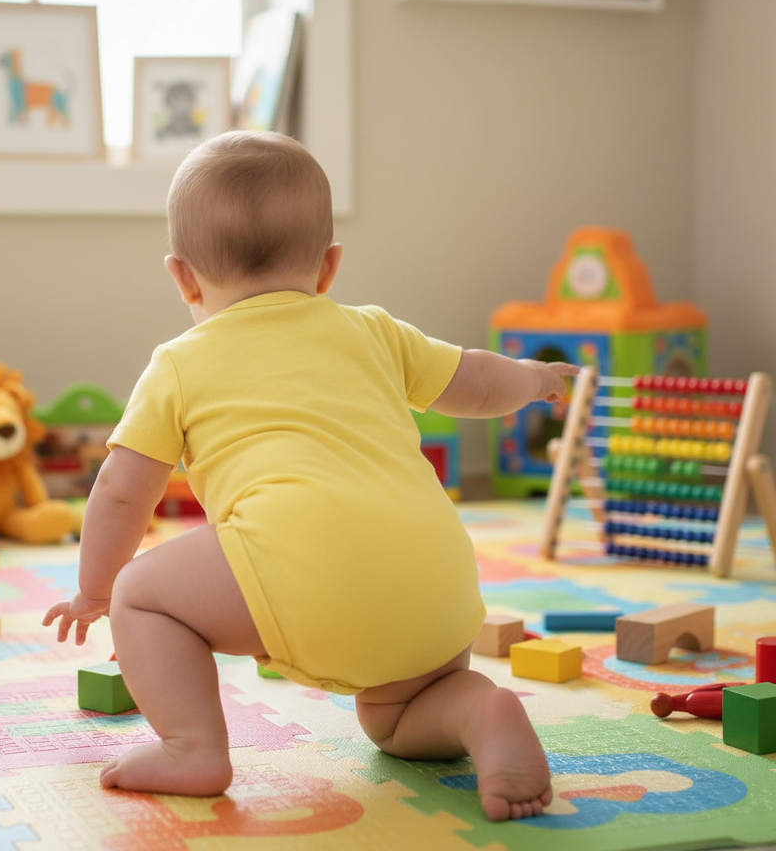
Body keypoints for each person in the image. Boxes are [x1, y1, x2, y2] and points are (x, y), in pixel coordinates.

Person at [43, 130, 576, 821]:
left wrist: (96, 589)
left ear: (183, 277)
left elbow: (121, 487)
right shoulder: (374, 331)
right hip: (436, 581)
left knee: (141, 594)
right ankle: (481, 714)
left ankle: (191, 746)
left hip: (300, 566)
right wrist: (533, 379)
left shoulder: (178, 362)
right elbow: (474, 380)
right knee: (395, 721)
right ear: (328, 267)